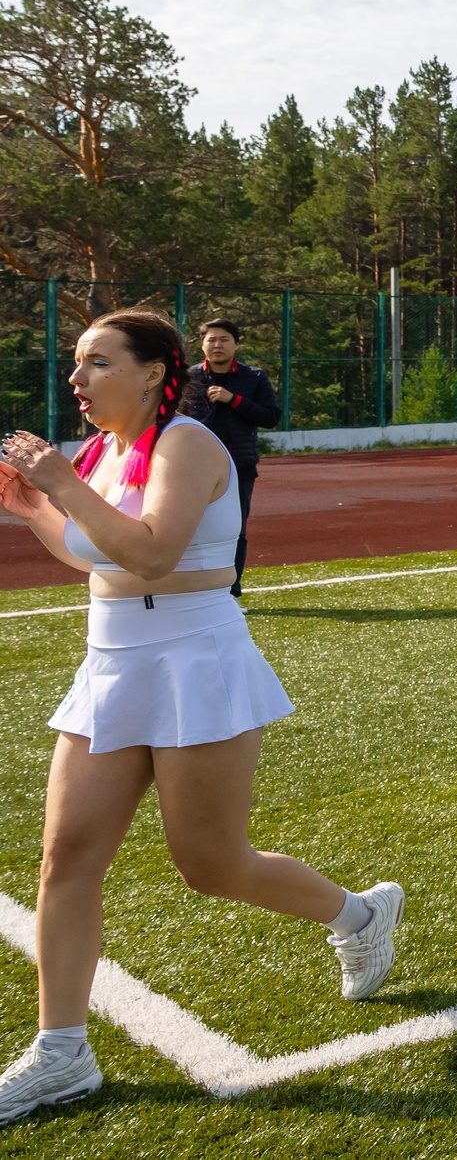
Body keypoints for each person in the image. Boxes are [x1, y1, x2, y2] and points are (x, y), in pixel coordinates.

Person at [0, 311, 403, 1127]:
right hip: (111, 662)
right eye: (75, 364)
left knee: (211, 864)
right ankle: (62, 1050)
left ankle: (361, 915)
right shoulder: (98, 454)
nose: (75, 379)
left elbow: (151, 550)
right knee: (64, 859)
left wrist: (60, 484)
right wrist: (32, 506)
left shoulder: (186, 442)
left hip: (195, 658)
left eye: (96, 363)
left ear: (153, 372)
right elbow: (94, 552)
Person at [178, 319, 281, 595]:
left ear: (236, 344)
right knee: (187, 528)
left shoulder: (254, 377)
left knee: (235, 531)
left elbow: (271, 417)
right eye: (211, 339)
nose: (217, 345)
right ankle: (190, 589)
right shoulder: (189, 377)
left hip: (240, 467)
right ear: (202, 344)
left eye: (224, 339)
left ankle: (230, 593)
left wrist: (233, 399)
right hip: (192, 467)